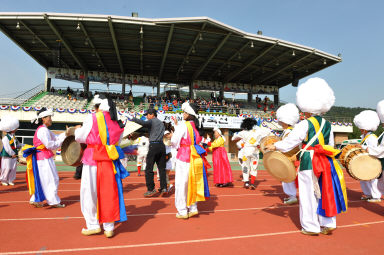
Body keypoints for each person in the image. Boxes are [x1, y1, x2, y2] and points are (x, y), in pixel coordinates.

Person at [266, 77, 348, 235]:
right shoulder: (328, 124)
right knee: (324, 191)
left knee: (307, 193)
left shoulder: (305, 123)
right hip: (325, 160)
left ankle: (310, 226)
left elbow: (291, 141)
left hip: (309, 160)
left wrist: (275, 145)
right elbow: (329, 145)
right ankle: (328, 222)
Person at [74, 95, 128, 238]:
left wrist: (77, 130)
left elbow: (79, 137)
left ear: (97, 106)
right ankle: (109, 227)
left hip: (93, 157)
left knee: (89, 192)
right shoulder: (118, 122)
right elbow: (118, 141)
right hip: (109, 160)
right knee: (108, 192)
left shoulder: (92, 118)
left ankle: (93, 225)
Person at [170, 102, 210, 219]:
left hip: (184, 156)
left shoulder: (183, 125)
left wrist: (173, 142)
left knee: (181, 183)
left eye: (184, 112)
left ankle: (182, 211)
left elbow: (174, 141)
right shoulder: (197, 126)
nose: (183, 114)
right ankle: (193, 208)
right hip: (196, 156)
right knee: (194, 181)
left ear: (188, 114)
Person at [25, 108, 67, 208]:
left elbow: (56, 137)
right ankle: (54, 201)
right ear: (43, 118)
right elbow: (50, 145)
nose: (51, 119)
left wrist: (66, 133)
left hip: (42, 157)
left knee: (44, 179)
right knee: (52, 179)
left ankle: (35, 198)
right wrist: (61, 141)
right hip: (43, 158)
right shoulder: (43, 130)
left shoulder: (44, 129)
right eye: (49, 117)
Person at [129, 109, 168, 197]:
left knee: (148, 168)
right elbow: (148, 130)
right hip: (162, 146)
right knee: (161, 169)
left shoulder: (152, 121)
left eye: (147, 115)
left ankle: (151, 189)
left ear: (152, 114)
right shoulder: (161, 123)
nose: (146, 117)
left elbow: (143, 123)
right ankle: (164, 187)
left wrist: (133, 119)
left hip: (153, 146)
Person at [232, 118, 269, 189]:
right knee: (254, 167)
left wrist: (238, 135)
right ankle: (252, 183)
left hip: (246, 151)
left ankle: (246, 182)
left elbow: (233, 138)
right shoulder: (258, 131)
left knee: (245, 166)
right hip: (254, 151)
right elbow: (267, 132)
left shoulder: (243, 132)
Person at [353, 110, 382, 202]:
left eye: (360, 127)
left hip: (371, 160)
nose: (359, 129)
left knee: (373, 178)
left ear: (365, 128)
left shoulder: (372, 137)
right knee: (364, 177)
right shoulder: (364, 136)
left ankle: (376, 196)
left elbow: (373, 148)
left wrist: (362, 146)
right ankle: (368, 194)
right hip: (365, 161)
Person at [275, 103, 300, 205]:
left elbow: (289, 146)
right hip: (286, 158)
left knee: (289, 179)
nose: (279, 122)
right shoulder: (286, 132)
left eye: (280, 120)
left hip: (289, 159)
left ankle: (293, 196)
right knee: (286, 179)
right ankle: (291, 196)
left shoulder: (290, 132)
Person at [0, 115, 22, 186]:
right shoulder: (5, 138)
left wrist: (24, 146)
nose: (17, 128)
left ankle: (10, 180)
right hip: (7, 156)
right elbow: (7, 148)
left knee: (13, 168)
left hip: (14, 156)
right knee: (6, 168)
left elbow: (17, 144)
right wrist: (12, 153)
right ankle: (4, 180)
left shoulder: (14, 137)